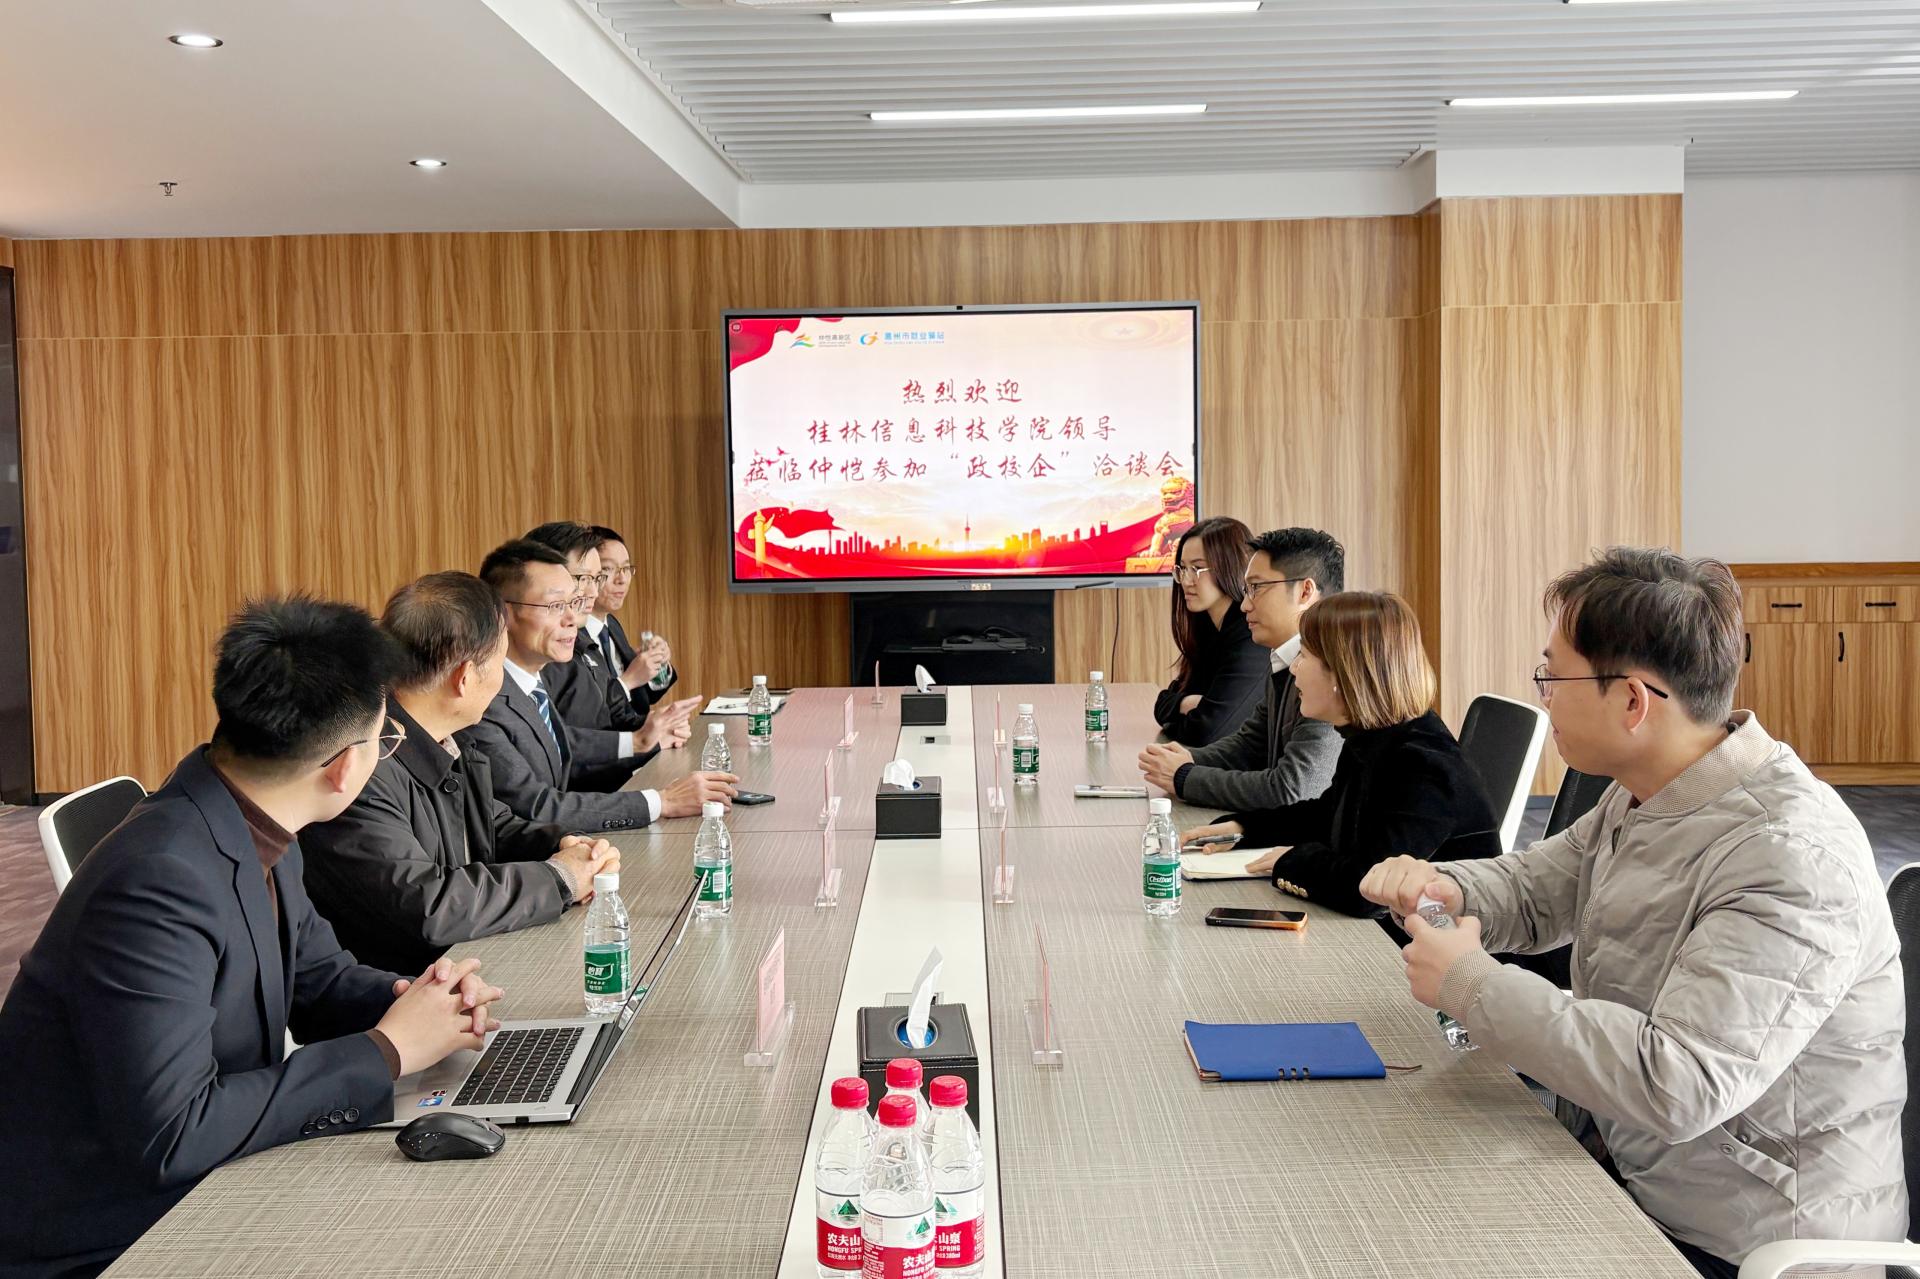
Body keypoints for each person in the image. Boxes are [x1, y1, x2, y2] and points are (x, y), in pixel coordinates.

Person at [1361, 549, 1905, 1278]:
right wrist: (1442, 886)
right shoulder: (1650, 788)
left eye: (1552, 677)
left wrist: (1469, 982)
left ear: (1632, 701)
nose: (1543, 697)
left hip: (1745, 1241)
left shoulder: (1789, 856)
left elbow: (1677, 1083)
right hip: (1637, 1170)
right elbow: (1538, 887)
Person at [0, 597, 506, 1279]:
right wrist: (388, 1050)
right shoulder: (158, 879)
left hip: (199, 1179)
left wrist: (417, 1000)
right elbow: (174, 1132)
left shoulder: (255, 817)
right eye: (384, 741)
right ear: (343, 767)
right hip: (109, 1233)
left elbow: (318, 980)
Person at [302, 572, 624, 975]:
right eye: (501, 661)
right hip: (397, 994)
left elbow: (492, 826)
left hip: (459, 970)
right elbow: (428, 904)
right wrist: (559, 879)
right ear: (465, 677)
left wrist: (570, 847)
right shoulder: (361, 764)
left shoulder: (446, 738)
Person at [1182, 591, 1501, 915]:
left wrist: (1290, 861)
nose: (1294, 668)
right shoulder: (1373, 737)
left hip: (1438, 942)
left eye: (1304, 655)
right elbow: (1328, 813)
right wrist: (1244, 828)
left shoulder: (1423, 766)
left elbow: (1368, 890)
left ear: (1343, 672)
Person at [460, 539, 735, 830]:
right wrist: (660, 802)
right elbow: (536, 805)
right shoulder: (481, 700)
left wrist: (642, 743)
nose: (572, 619)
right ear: (503, 614)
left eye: (572, 604)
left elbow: (560, 751)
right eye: (555, 606)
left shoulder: (531, 684)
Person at [1138, 526, 1344, 810]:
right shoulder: (1285, 658)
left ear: (1305, 591)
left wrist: (1184, 776)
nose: (1245, 604)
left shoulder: (1333, 672)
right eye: (1247, 590)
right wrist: (1189, 759)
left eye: (1256, 588)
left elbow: (1294, 789)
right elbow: (1250, 745)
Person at [523, 522, 696, 789]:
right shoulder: (553, 654)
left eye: (596, 579)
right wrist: (643, 742)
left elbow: (610, 715)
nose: (592, 592)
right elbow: (571, 747)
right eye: (586, 578)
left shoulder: (604, 628)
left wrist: (657, 726)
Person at [1151, 515, 1269, 747]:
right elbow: (1162, 703)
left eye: (1197, 568)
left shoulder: (1250, 635)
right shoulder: (1209, 630)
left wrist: (1184, 711)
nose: (1186, 580)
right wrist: (1187, 704)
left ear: (1230, 566)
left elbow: (1207, 732)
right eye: (1182, 568)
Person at [586, 523, 678, 715]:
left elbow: (641, 697)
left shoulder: (611, 624)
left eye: (626, 568)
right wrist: (630, 679)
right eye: (608, 568)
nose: (622, 579)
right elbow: (587, 714)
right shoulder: (569, 636)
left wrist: (656, 666)